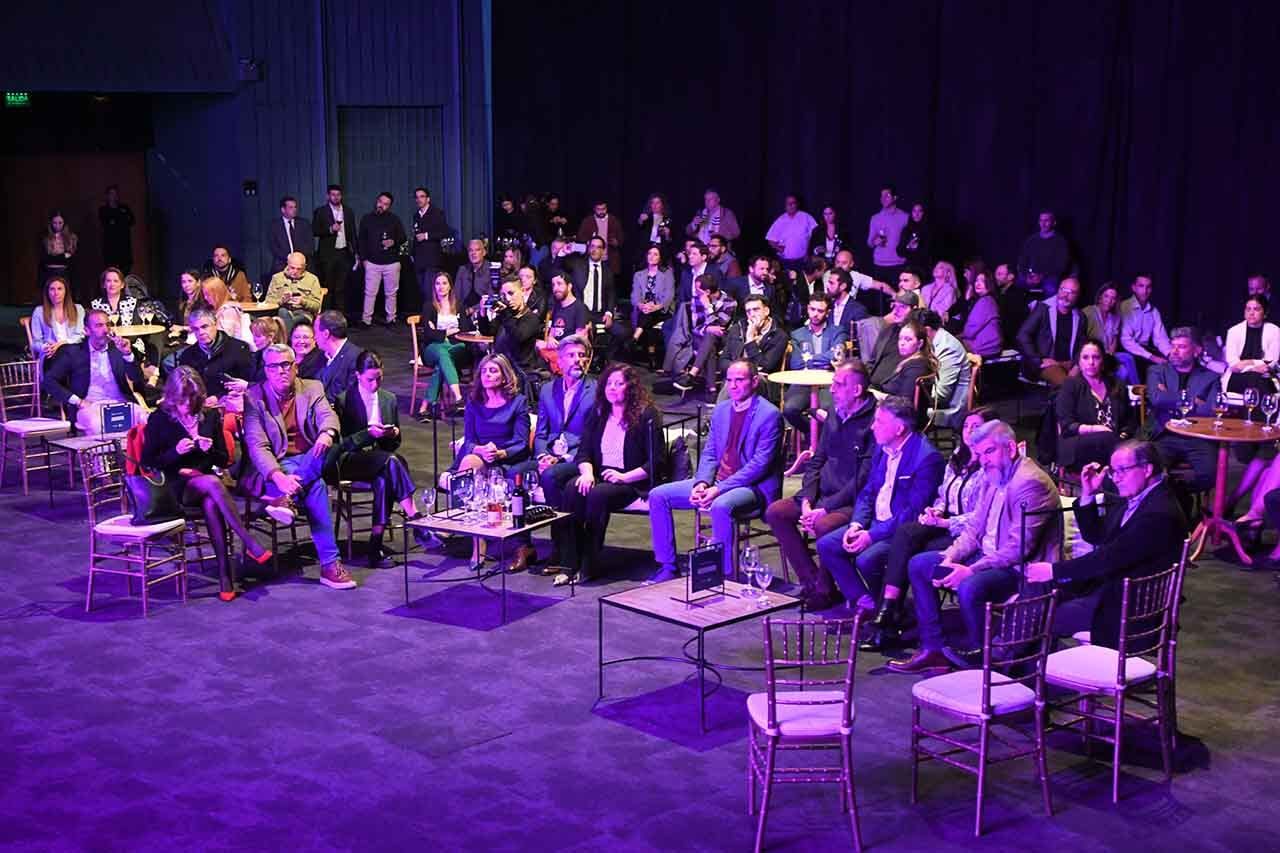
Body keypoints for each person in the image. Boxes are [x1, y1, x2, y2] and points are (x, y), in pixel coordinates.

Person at [888, 419, 1061, 673]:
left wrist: (970, 570)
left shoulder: (1029, 482)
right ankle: (934, 649)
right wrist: (950, 556)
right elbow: (974, 530)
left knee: (970, 586)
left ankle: (988, 660)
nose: (983, 460)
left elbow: (1018, 549)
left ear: (1010, 448)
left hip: (1020, 570)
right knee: (920, 564)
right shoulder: (992, 475)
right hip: (987, 556)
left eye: (989, 451)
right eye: (979, 454)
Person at [1025, 441, 1187, 648]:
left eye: (1122, 470)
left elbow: (1109, 557)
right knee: (1037, 591)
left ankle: (1012, 659)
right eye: (1113, 472)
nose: (1116, 478)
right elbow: (1096, 536)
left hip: (1128, 607)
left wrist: (1054, 570)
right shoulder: (1138, 498)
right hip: (1109, 587)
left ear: (1147, 469)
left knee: (1044, 617)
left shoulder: (1159, 513)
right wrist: (1087, 495)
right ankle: (1015, 658)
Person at [862, 407, 998, 653]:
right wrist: (934, 510)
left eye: (976, 427)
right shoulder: (958, 456)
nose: (969, 431)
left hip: (966, 531)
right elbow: (943, 495)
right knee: (906, 533)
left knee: (911, 557)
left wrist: (945, 523)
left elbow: (981, 516)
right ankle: (890, 611)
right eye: (966, 426)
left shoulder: (990, 465)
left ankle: (891, 621)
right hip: (944, 523)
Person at [142, 367, 272, 600]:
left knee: (211, 501)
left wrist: (209, 449)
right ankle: (248, 541)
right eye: (182, 399)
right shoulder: (159, 418)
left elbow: (223, 459)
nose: (188, 404)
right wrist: (175, 453)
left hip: (205, 485)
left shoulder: (209, 416)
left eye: (193, 398)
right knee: (212, 483)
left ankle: (225, 578)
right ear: (172, 397)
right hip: (174, 487)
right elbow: (148, 462)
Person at [647, 360, 783, 583]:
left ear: (754, 382)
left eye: (739, 380)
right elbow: (710, 452)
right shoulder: (721, 410)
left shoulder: (769, 415)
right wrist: (702, 483)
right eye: (729, 380)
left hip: (751, 487)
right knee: (658, 495)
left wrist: (718, 490)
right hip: (717, 482)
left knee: (720, 506)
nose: (733, 385)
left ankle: (723, 575)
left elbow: (759, 466)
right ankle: (668, 566)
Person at [815, 396, 945, 615]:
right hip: (874, 522)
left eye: (880, 422)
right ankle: (867, 603)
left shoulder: (926, 459)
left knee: (867, 560)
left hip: (900, 531)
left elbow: (911, 512)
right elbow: (868, 492)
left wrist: (872, 535)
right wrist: (856, 525)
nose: (873, 426)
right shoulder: (882, 448)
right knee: (827, 545)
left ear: (899, 429)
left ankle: (890, 612)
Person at [240, 344, 354, 590]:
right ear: (266, 370)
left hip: (312, 457)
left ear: (295, 367)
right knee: (317, 487)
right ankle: (330, 565)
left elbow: (328, 415)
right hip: (279, 464)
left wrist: (326, 433)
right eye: (274, 366)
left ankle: (287, 498)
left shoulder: (313, 388)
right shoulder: (254, 397)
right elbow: (258, 446)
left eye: (285, 365)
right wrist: (278, 477)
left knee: (330, 446)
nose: (281, 371)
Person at [765, 361, 876, 610]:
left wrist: (825, 508)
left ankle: (825, 590)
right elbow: (817, 460)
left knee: (823, 525)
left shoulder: (874, 421)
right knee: (777, 512)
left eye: (839, 384)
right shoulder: (835, 412)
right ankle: (812, 582)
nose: (832, 389)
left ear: (857, 390)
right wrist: (807, 498)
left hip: (851, 500)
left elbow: (863, 478)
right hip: (821, 495)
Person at [550, 363, 664, 585]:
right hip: (601, 475)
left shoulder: (647, 415)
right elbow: (584, 451)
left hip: (631, 480)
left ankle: (589, 565)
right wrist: (587, 474)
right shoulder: (598, 412)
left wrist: (624, 477)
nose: (612, 388)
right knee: (573, 489)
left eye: (619, 384)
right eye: (609, 383)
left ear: (630, 387)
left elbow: (656, 462)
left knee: (597, 495)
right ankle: (569, 564)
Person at [332, 350, 433, 566]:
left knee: (385, 477)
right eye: (370, 379)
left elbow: (393, 446)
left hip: (380, 460)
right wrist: (368, 434)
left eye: (379, 378)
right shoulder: (344, 400)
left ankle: (374, 546)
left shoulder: (388, 399)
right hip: (352, 460)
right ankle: (415, 518)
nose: (375, 384)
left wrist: (392, 434)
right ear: (358, 375)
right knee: (393, 462)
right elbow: (341, 445)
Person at [41, 309, 149, 433]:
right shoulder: (73, 352)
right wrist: (78, 401)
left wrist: (128, 354)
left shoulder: (118, 349)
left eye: (108, 325)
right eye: (99, 326)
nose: (106, 330)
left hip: (121, 403)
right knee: (98, 425)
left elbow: (137, 378)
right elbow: (49, 381)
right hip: (91, 407)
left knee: (146, 420)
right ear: (87, 330)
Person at [531, 336, 598, 516]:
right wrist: (542, 456)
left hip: (578, 458)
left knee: (550, 476)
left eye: (582, 355)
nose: (577, 360)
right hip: (550, 454)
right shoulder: (547, 389)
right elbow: (541, 432)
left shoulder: (597, 391)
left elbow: (594, 438)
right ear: (559, 361)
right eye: (571, 355)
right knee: (515, 473)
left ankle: (563, 527)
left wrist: (562, 459)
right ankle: (520, 534)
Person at [1147, 327, 1218, 494]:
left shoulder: (1211, 377)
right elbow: (1157, 400)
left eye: (1182, 347)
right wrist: (1193, 401)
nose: (1175, 351)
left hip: (1197, 437)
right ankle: (1171, 499)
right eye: (1173, 346)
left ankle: (1178, 494)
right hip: (1165, 435)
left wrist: (1169, 396)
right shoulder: (1157, 371)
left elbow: (1210, 410)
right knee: (1151, 471)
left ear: (1196, 350)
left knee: (1210, 474)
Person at [1055, 339, 1138, 472]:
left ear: (1103, 360)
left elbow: (1129, 420)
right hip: (1078, 443)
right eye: (1085, 357)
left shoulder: (1117, 384)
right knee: (1110, 440)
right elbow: (1067, 426)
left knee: (1138, 448)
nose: (1091, 362)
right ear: (1079, 362)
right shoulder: (1070, 385)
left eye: (1096, 357)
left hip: (1114, 441)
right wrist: (1096, 429)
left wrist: (1123, 435)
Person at [782, 292, 848, 430]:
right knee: (789, 410)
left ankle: (823, 438)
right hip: (803, 382)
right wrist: (825, 358)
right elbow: (796, 364)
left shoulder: (837, 332)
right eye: (812, 309)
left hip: (828, 382)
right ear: (807, 308)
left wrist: (810, 359)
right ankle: (810, 433)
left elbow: (835, 356)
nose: (815, 314)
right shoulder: (797, 334)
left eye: (820, 311)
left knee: (828, 411)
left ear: (828, 312)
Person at [417, 271, 474, 418]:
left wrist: (439, 331)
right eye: (437, 283)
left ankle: (424, 407)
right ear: (434, 287)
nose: (441, 287)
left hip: (456, 348)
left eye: (444, 283)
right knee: (442, 353)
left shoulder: (459, 305)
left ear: (450, 286)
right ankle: (458, 398)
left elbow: (465, 329)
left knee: (442, 363)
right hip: (432, 348)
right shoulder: (429, 306)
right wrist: (448, 332)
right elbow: (428, 333)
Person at [178, 308, 254, 412]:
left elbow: (247, 382)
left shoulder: (238, 348)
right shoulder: (187, 355)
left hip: (230, 405)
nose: (201, 332)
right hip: (199, 407)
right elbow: (184, 387)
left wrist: (219, 397)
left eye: (204, 326)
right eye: (196, 329)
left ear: (215, 324)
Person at [673, 273, 737, 393]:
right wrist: (707, 329)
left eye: (698, 289)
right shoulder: (696, 300)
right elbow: (696, 326)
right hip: (701, 337)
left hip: (724, 339)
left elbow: (721, 326)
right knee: (710, 340)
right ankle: (711, 389)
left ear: (707, 292)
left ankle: (692, 375)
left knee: (711, 337)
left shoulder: (729, 302)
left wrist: (708, 307)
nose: (695, 292)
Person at [1016, 276, 1085, 385]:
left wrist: (1077, 366)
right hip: (1049, 363)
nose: (1065, 295)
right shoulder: (1043, 309)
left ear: (1077, 296)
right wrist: (1037, 360)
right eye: (1063, 289)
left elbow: (1082, 345)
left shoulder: (1080, 316)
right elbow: (1022, 335)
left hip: (1069, 363)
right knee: (1068, 386)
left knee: (1092, 382)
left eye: (1071, 292)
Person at [717, 295, 788, 397]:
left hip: (763, 382)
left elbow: (765, 366)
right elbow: (723, 360)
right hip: (735, 376)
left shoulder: (779, 335)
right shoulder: (737, 329)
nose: (752, 315)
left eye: (756, 310)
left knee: (739, 382)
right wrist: (738, 370)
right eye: (748, 311)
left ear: (766, 311)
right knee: (734, 381)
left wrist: (750, 340)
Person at [354, 192, 406, 327]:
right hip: (372, 262)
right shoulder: (366, 219)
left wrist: (393, 241)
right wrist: (364, 260)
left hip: (391, 263)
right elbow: (361, 241)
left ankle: (391, 318)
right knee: (369, 293)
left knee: (391, 293)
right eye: (380, 202)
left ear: (389, 206)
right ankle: (366, 320)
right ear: (376, 201)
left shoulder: (394, 219)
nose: (381, 205)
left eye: (385, 204)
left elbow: (403, 237)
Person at [918, 309, 972, 427]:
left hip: (950, 408)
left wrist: (914, 394)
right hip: (936, 400)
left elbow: (941, 396)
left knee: (902, 409)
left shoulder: (947, 348)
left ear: (926, 330)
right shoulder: (932, 342)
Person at [312, 184, 358, 316]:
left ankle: (340, 316)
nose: (336, 197)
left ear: (341, 196)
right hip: (328, 255)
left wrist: (356, 252)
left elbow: (352, 233)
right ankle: (327, 316)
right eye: (333, 195)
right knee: (328, 286)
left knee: (342, 287)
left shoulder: (348, 211)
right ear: (328, 196)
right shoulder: (321, 211)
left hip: (344, 253)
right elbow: (315, 230)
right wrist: (330, 229)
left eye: (338, 195)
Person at [1116, 274, 1171, 382]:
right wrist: (1152, 357)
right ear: (1134, 288)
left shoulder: (1153, 311)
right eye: (1141, 286)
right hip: (1127, 349)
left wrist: (1170, 354)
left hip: (1144, 350)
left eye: (1148, 287)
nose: (1145, 291)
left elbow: (1160, 338)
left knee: (1168, 366)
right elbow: (1126, 341)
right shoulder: (1124, 307)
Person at [1222, 295, 1280, 394]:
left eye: (1256, 309)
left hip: (1265, 374)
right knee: (1255, 379)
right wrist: (1253, 368)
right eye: (1248, 309)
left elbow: (1271, 362)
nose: (1251, 313)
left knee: (1262, 380)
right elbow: (1233, 365)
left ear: (1265, 313)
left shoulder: (1274, 331)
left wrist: (1247, 362)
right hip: (1238, 376)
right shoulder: (1233, 331)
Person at [873, 318, 935, 408]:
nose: (902, 343)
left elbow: (906, 402)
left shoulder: (917, 366)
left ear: (920, 343)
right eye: (900, 339)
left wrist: (880, 396)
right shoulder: (910, 361)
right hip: (890, 408)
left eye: (908, 339)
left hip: (900, 414)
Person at [866, 290, 920, 389]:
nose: (896, 311)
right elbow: (872, 361)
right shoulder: (887, 330)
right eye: (895, 306)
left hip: (890, 390)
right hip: (870, 386)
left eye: (902, 307)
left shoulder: (916, 337)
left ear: (914, 309)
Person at [492, 277, 543, 379]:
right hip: (502, 370)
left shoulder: (531, 318)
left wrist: (505, 314)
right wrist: (482, 314)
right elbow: (489, 331)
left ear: (523, 291)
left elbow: (518, 336)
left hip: (521, 373)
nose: (507, 299)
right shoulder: (506, 316)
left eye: (511, 293)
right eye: (503, 295)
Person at [1016, 209, 1074, 294]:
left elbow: (1061, 265)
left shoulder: (1060, 241)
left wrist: (1042, 276)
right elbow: (1022, 260)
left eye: (1046, 221)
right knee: (1017, 286)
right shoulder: (1031, 240)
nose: (1043, 224)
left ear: (1053, 223)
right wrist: (1026, 275)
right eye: (1041, 220)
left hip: (1049, 276)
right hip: (1031, 275)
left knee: (1050, 289)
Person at [410, 186, 449, 307]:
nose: (419, 199)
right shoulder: (416, 215)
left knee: (430, 290)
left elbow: (444, 232)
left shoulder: (437, 213)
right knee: (422, 290)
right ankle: (427, 313)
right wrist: (412, 254)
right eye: (417, 197)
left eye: (422, 197)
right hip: (419, 260)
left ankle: (431, 315)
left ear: (428, 199)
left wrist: (426, 235)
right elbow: (416, 236)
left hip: (432, 259)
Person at [629, 245, 675, 349]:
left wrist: (656, 307)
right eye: (649, 253)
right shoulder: (638, 275)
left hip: (662, 309)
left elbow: (669, 296)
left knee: (647, 315)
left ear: (660, 257)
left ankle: (634, 338)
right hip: (644, 309)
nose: (651, 256)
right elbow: (634, 295)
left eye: (655, 254)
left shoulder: (667, 273)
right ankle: (650, 351)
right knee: (646, 315)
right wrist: (641, 305)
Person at [265, 252, 324, 332]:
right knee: (283, 312)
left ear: (304, 267)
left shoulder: (312, 279)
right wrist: (281, 301)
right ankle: (289, 336)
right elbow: (268, 302)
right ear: (287, 264)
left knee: (290, 319)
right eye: (292, 268)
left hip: (303, 313)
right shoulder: (277, 278)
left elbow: (317, 306)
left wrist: (303, 302)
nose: (295, 271)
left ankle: (285, 337)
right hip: (281, 312)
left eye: (299, 269)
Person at [30, 275, 85, 360]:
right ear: (47, 292)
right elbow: (36, 342)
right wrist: (46, 347)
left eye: (60, 289)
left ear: (66, 291)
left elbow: (80, 335)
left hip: (73, 351)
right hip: (51, 354)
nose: (56, 293)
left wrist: (62, 344)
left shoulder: (78, 309)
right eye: (52, 289)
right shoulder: (39, 311)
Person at [315, 310, 364, 403]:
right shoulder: (321, 355)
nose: (314, 337)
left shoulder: (356, 358)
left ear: (325, 334)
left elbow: (350, 399)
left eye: (316, 332)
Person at [867, 184, 909, 292]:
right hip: (879, 264)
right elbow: (869, 242)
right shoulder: (875, 218)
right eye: (882, 196)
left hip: (898, 264)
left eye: (887, 195)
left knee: (899, 296)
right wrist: (875, 242)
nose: (883, 198)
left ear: (895, 197)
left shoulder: (905, 217)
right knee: (881, 298)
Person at [765, 194, 818, 269]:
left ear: (797, 204)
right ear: (785, 206)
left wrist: (809, 252)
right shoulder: (780, 220)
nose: (791, 205)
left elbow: (814, 234)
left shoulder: (806, 217)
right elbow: (770, 239)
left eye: (793, 203)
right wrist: (779, 248)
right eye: (788, 203)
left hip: (803, 259)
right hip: (785, 261)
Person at [960, 270, 1003, 356]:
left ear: (989, 283)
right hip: (990, 345)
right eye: (976, 280)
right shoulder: (989, 300)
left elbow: (971, 328)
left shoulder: (985, 301)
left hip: (984, 346)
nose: (978, 283)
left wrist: (961, 336)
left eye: (982, 281)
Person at [576, 200, 624, 275]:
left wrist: (616, 242)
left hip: (609, 260)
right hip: (592, 259)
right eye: (598, 209)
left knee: (609, 280)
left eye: (603, 209)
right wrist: (588, 241)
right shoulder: (588, 221)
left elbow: (621, 238)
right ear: (594, 209)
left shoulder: (613, 220)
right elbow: (580, 238)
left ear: (607, 208)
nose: (601, 211)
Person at [268, 195, 312, 275]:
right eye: (291, 207)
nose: (294, 210)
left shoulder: (304, 223)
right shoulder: (275, 226)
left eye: (295, 207)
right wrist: (289, 258)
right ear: (283, 210)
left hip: (301, 263)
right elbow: (274, 247)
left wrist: (298, 258)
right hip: (282, 263)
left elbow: (310, 244)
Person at [39, 210, 78, 295]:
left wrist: (55, 258)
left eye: (60, 223)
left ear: (64, 223)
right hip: (49, 271)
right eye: (55, 223)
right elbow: (45, 259)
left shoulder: (71, 237)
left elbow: (71, 258)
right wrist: (62, 257)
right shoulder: (45, 237)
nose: (57, 226)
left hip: (64, 272)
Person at [98, 185, 135, 273]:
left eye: (115, 194)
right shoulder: (103, 210)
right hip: (111, 248)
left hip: (124, 247)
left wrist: (117, 221)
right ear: (107, 196)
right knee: (112, 272)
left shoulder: (125, 208)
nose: (114, 196)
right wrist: (121, 220)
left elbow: (132, 221)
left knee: (126, 272)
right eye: (111, 194)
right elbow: (106, 223)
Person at [994, 261, 1030, 348]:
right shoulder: (998, 292)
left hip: (1012, 343)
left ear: (1010, 276)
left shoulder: (1016, 295)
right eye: (995, 274)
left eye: (999, 274)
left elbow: (1013, 323)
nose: (996, 277)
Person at [1083, 281, 1122, 360]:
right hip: (1092, 354)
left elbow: (1114, 341)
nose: (1109, 301)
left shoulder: (1116, 317)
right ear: (1100, 297)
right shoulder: (1088, 312)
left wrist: (1110, 355)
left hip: (1108, 354)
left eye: (1113, 298)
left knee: (1128, 358)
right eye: (1106, 296)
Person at [635, 193, 674, 264]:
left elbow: (670, 242)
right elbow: (638, 230)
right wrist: (640, 220)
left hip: (662, 251)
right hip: (646, 249)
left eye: (657, 203)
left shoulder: (668, 220)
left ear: (662, 205)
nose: (655, 205)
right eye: (652, 203)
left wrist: (667, 235)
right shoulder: (646, 218)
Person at [897, 202, 932, 272]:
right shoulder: (906, 230)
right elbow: (900, 251)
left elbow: (931, 251)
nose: (917, 214)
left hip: (925, 268)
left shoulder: (929, 230)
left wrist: (919, 246)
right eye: (914, 211)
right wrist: (908, 246)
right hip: (910, 268)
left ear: (924, 213)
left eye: (920, 211)